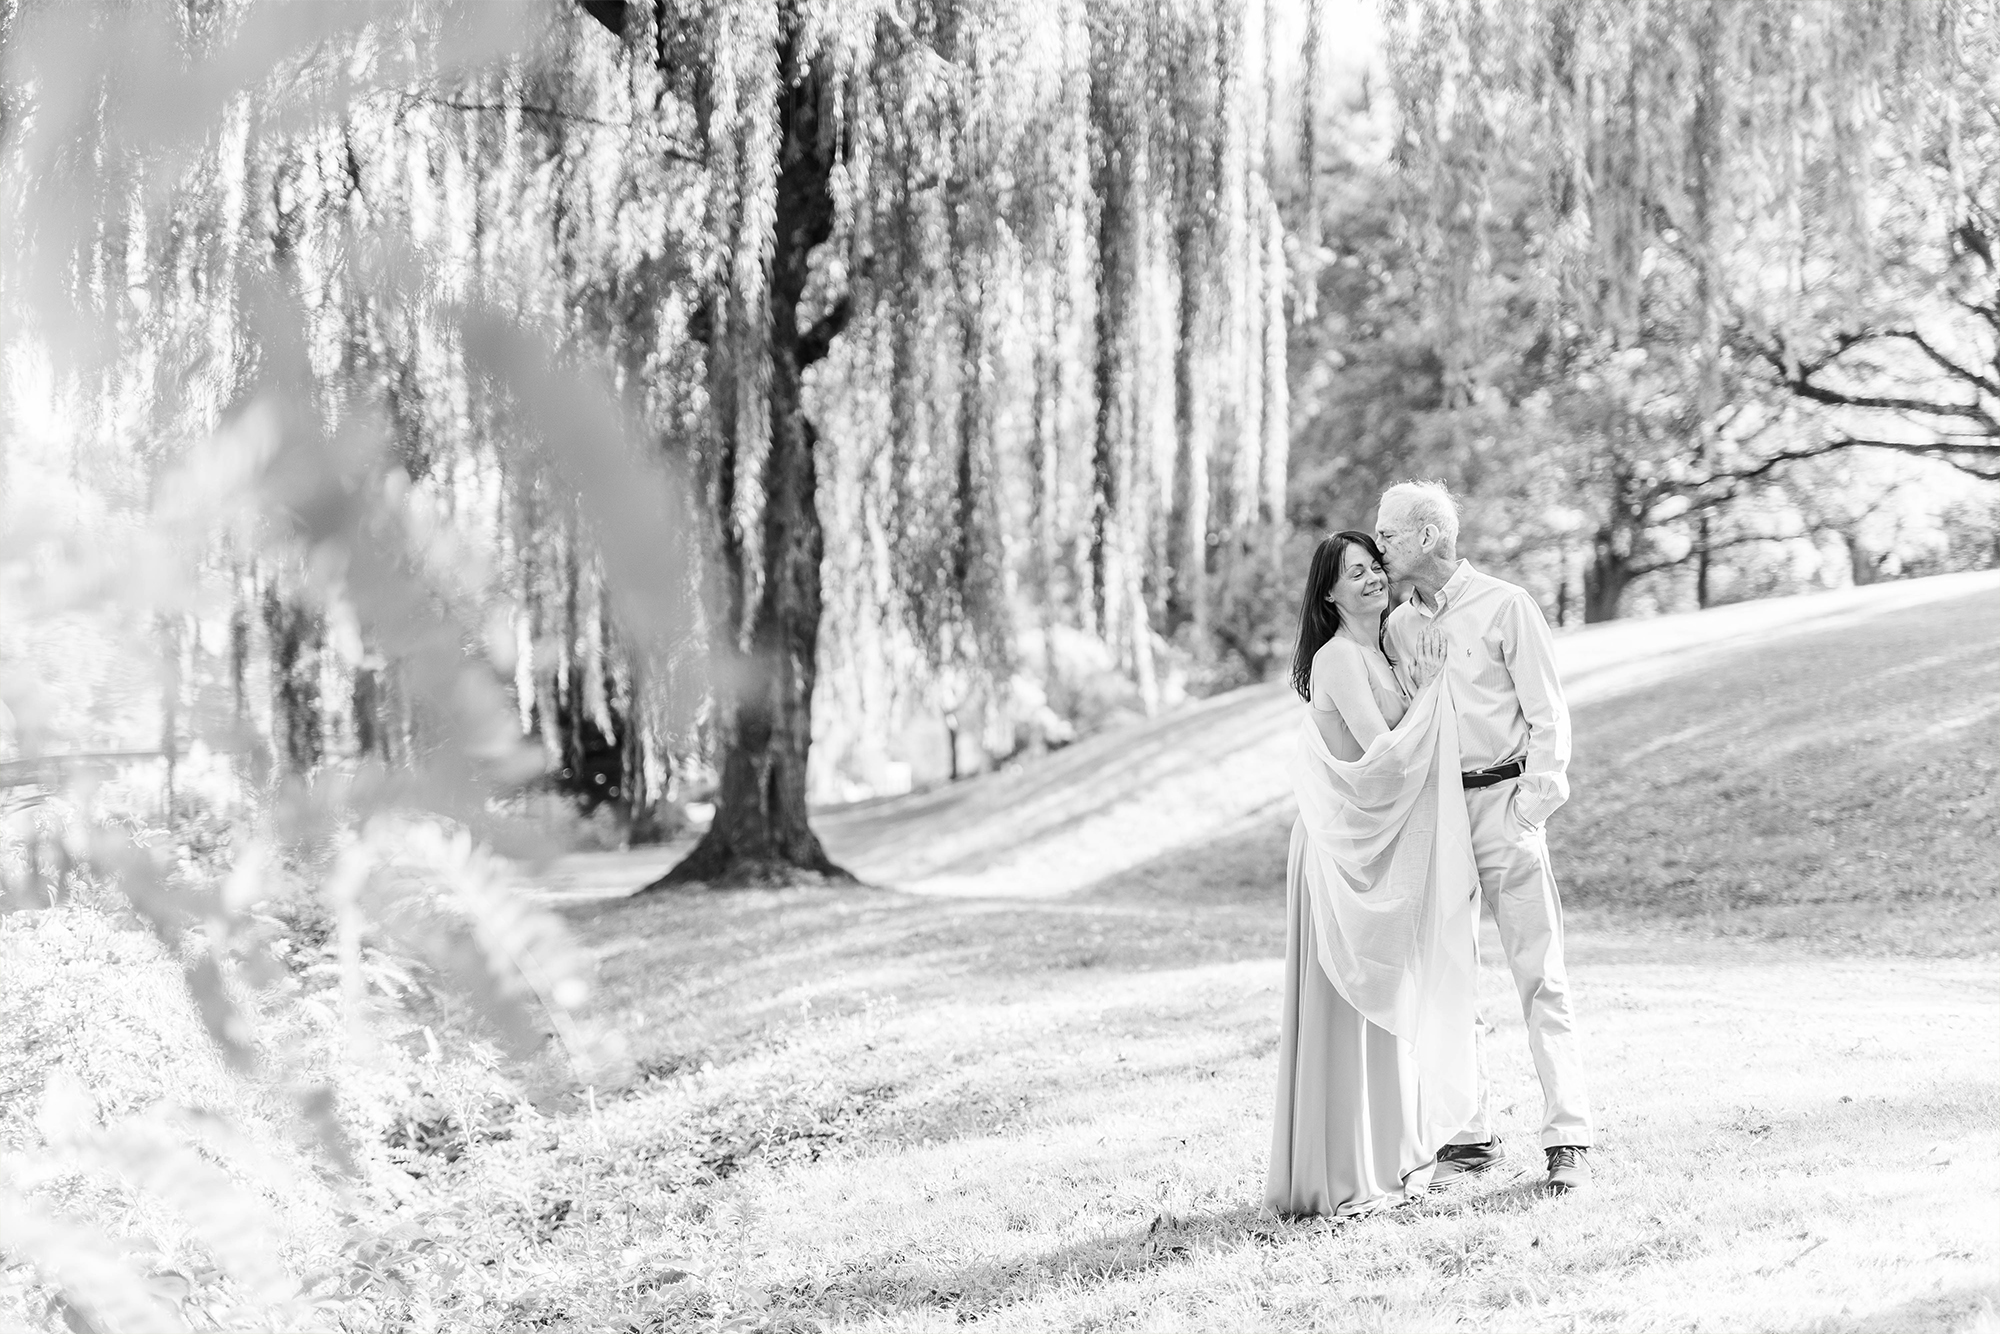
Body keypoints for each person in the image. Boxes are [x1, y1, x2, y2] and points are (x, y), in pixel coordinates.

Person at [1374, 480, 1595, 1195]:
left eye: (1390, 535)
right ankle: (1468, 1135)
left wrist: (1530, 807)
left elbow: (1548, 716)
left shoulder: (1507, 605)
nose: (1379, 548)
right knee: (1446, 979)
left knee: (1541, 975)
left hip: (1505, 805)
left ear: (1430, 536)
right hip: (1440, 819)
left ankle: (1569, 1134)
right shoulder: (1399, 628)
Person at [1265, 531, 1482, 1218]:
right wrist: (1432, 693)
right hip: (1338, 855)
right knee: (1347, 999)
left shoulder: (1382, 648)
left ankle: (1389, 1156)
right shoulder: (1335, 659)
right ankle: (1342, 1171)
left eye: (1373, 568)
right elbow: (1384, 755)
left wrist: (1425, 680)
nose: (1369, 580)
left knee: (1387, 986)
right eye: (1352, 574)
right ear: (1328, 593)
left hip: (1374, 846)